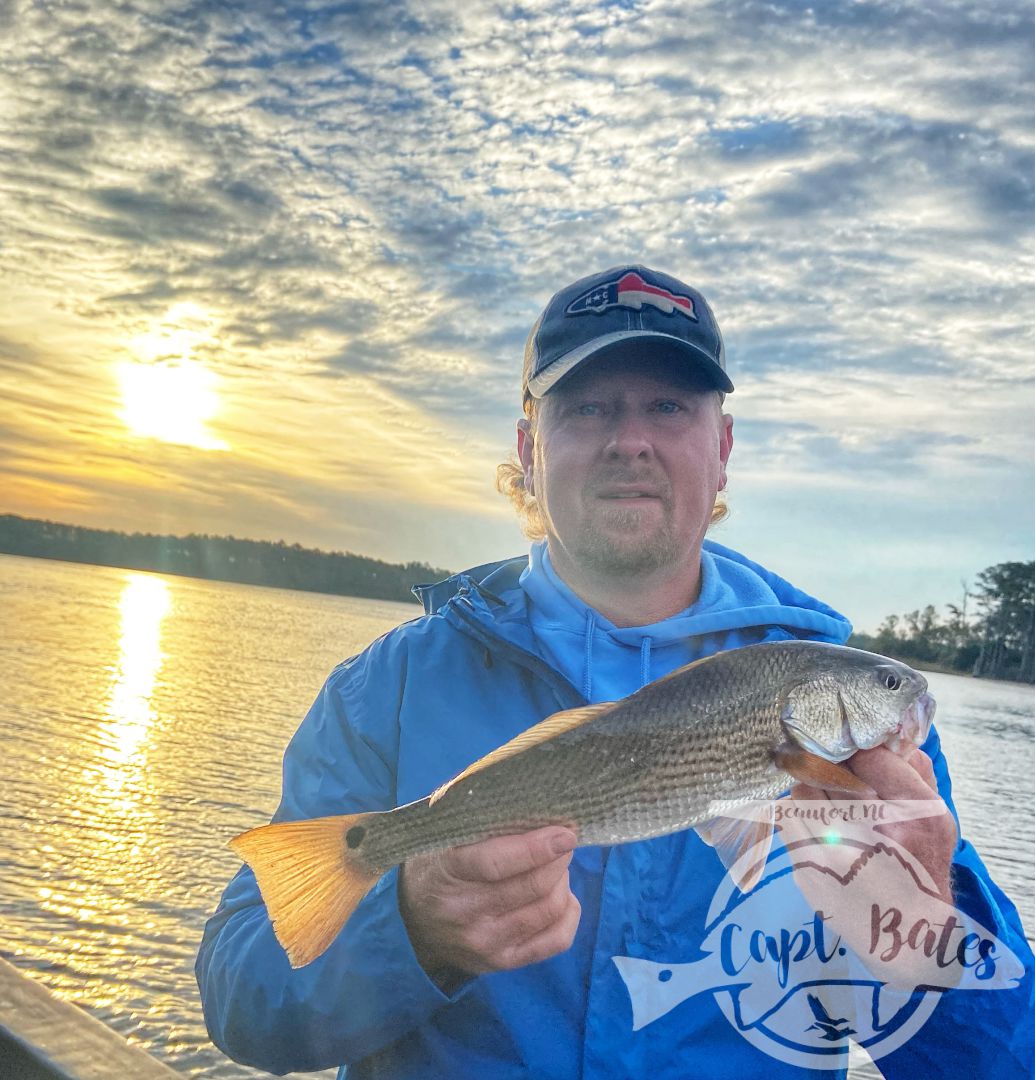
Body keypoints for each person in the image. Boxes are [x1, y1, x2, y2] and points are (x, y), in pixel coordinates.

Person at [197, 266, 1034, 1079]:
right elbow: (245, 1007)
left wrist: (925, 916)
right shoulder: (383, 690)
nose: (628, 440)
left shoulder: (850, 730)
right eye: (586, 407)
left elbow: (1003, 1065)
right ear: (529, 449)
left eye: (668, 406)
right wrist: (410, 932)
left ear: (723, 447)